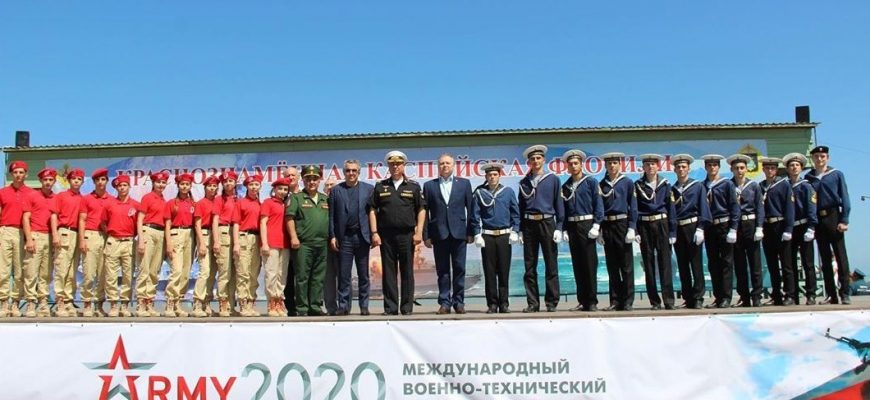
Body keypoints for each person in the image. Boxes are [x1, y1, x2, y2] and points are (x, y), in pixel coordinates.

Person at [368, 151, 426, 316]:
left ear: (403, 165)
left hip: (407, 235)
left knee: (407, 272)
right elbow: (372, 210)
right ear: (388, 166)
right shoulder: (380, 186)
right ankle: (391, 308)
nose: (395, 167)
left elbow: (421, 209)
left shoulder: (413, 187)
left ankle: (406, 308)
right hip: (386, 235)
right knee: (388, 272)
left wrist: (419, 232)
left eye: (398, 164)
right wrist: (374, 232)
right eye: (392, 164)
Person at [423, 154, 473, 314]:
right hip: (439, 233)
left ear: (453, 165)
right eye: (442, 163)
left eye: (448, 163)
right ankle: (445, 303)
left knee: (459, 269)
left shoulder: (464, 184)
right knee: (442, 271)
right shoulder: (429, 186)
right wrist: (426, 235)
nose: (445, 165)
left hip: (459, 233)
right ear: (438, 166)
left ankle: (459, 302)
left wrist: (471, 232)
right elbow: (425, 212)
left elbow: (471, 209)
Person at [518, 145, 564, 313]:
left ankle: (551, 302)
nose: (536, 161)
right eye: (532, 159)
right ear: (529, 162)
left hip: (547, 223)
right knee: (530, 266)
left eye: (538, 158)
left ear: (544, 160)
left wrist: (559, 227)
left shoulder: (553, 179)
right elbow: (520, 208)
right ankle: (533, 303)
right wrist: (520, 230)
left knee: (551, 264)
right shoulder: (524, 182)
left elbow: (559, 204)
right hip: (529, 225)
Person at [470, 162, 520, 313]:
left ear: (499, 176)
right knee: (489, 271)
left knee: (504, 271)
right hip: (488, 236)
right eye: (489, 175)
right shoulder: (480, 193)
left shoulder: (508, 192)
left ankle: (504, 304)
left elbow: (515, 213)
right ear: (486, 177)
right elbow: (475, 215)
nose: (492, 177)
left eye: (495, 174)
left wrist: (515, 231)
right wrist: (477, 234)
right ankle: (492, 304)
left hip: (504, 236)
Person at [805, 145, 851, 305]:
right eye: (816, 156)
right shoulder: (809, 177)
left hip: (833, 216)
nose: (819, 159)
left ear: (827, 158)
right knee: (824, 259)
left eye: (822, 156)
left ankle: (845, 293)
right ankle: (831, 294)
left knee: (840, 256)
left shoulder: (836, 174)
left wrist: (844, 220)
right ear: (812, 158)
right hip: (818, 219)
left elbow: (845, 197)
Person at [328, 160, 374, 316]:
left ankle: (364, 306)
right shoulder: (336, 190)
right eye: (348, 170)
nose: (351, 173)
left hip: (362, 237)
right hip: (344, 237)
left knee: (363, 274)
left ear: (359, 172)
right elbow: (331, 216)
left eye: (354, 170)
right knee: (344, 275)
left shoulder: (369, 189)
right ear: (344, 172)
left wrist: (374, 233)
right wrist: (333, 236)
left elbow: (373, 213)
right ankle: (343, 306)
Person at [559, 150, 604, 312]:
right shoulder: (565, 186)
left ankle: (591, 301)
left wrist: (597, 225)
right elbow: (563, 210)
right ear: (567, 167)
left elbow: (598, 204)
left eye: (576, 163)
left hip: (587, 225)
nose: (573, 166)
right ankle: (582, 300)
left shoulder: (591, 182)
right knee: (577, 265)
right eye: (570, 164)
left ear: (581, 165)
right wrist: (564, 228)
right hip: (572, 227)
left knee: (589, 264)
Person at [633, 154, 677, 310]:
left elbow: (671, 208)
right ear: (643, 167)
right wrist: (635, 230)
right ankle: (655, 301)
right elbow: (634, 209)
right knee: (648, 263)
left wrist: (672, 231)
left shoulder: (665, 184)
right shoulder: (637, 185)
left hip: (661, 224)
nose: (650, 167)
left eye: (653, 164)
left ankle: (669, 300)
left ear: (658, 167)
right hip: (645, 225)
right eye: (647, 164)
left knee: (665, 263)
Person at [287, 166, 330, 316]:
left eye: (315, 179)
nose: (311, 182)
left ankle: (315, 306)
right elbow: (289, 218)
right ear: (303, 180)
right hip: (303, 244)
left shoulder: (325, 198)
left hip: (322, 243)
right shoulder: (296, 198)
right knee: (302, 277)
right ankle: (302, 308)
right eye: (308, 179)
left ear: (319, 180)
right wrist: (293, 237)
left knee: (318, 277)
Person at [599, 152, 638, 311]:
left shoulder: (627, 182)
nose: (612, 166)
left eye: (615, 163)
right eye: (609, 163)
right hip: (608, 225)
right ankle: (615, 300)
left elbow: (633, 206)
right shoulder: (602, 184)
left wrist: (632, 227)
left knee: (626, 265)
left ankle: (628, 300)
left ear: (619, 164)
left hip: (622, 223)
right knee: (612, 265)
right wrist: (600, 230)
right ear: (605, 166)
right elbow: (600, 208)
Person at [670, 155, 711, 309]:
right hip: (679, 229)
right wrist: (672, 232)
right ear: (674, 170)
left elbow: (703, 208)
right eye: (678, 167)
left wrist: (701, 228)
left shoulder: (697, 186)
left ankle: (698, 297)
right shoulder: (672, 189)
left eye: (684, 167)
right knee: (682, 265)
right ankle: (688, 297)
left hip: (693, 227)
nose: (681, 169)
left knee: (696, 264)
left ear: (689, 169)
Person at [701, 154, 740, 308]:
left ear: (719, 167)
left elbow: (734, 206)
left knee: (726, 262)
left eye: (715, 165)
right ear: (705, 167)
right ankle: (718, 297)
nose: (712, 168)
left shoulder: (727, 184)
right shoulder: (703, 186)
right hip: (710, 227)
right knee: (713, 263)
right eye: (709, 165)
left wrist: (733, 228)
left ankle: (726, 297)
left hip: (724, 225)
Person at [727, 154, 765, 308]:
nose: (739, 171)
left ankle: (757, 296)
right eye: (736, 168)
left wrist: (759, 227)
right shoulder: (728, 185)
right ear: (731, 169)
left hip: (751, 224)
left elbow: (760, 207)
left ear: (746, 169)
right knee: (739, 264)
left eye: (742, 168)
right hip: (736, 227)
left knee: (755, 263)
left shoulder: (754, 186)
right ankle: (744, 297)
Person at [759, 157, 796, 305]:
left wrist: (788, 228)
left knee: (786, 264)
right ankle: (776, 294)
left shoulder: (784, 185)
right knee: (772, 264)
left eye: (772, 168)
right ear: (763, 170)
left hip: (780, 225)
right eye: (767, 168)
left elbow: (790, 208)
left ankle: (790, 295)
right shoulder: (760, 186)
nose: (770, 171)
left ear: (776, 170)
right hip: (767, 227)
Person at [21, 168, 57, 317]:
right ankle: (30, 302)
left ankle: (43, 302)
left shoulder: (56, 198)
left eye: (50, 180)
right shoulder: (32, 195)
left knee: (46, 273)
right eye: (45, 180)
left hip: (49, 237)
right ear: (41, 181)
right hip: (35, 236)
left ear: (54, 181)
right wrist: (29, 238)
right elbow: (25, 218)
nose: (48, 182)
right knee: (31, 271)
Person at [784, 152, 818, 305]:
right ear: (787, 168)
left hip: (804, 226)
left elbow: (811, 207)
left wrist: (811, 227)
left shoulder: (806, 186)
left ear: (801, 168)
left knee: (808, 263)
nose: (794, 167)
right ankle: (792, 295)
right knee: (789, 263)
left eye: (797, 165)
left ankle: (811, 294)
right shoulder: (785, 186)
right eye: (791, 165)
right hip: (790, 228)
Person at [78, 168, 113, 317]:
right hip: (91, 235)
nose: (100, 182)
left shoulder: (112, 199)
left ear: (107, 181)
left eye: (103, 179)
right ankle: (87, 304)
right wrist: (82, 240)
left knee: (103, 274)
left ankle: (99, 305)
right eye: (97, 180)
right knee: (89, 272)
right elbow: (82, 220)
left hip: (106, 237)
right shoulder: (87, 199)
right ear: (94, 182)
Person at [102, 175, 138, 317]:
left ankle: (124, 305)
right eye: (119, 186)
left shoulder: (135, 205)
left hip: (128, 242)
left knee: (128, 275)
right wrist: (112, 233)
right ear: (116, 188)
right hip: (113, 241)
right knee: (111, 275)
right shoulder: (109, 204)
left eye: (124, 185)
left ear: (129, 187)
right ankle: (113, 305)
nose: (122, 188)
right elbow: (103, 222)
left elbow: (138, 225)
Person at [0, 161, 32, 317]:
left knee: (20, 271)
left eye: (21, 172)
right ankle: (4, 302)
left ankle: (16, 303)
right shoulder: (3, 192)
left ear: (26, 174)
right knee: (3, 270)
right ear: (11, 174)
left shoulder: (31, 193)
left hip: (22, 233)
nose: (18, 175)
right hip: (5, 230)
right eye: (15, 172)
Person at [135, 171, 168, 317]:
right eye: (158, 182)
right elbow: (140, 219)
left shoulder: (164, 200)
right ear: (153, 183)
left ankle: (149, 301)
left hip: (160, 233)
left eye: (163, 183)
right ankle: (141, 303)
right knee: (144, 269)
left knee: (154, 271)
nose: (160, 185)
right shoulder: (147, 197)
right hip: (148, 230)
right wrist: (141, 239)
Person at [53, 168, 84, 317]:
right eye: (74, 179)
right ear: (69, 181)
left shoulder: (83, 199)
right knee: (62, 269)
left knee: (72, 271)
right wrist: (55, 234)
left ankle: (68, 300)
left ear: (82, 182)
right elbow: (54, 215)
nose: (76, 181)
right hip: (64, 231)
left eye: (79, 179)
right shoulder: (61, 196)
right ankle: (59, 300)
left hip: (78, 234)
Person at [163, 173, 196, 317]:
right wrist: (168, 243)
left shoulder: (193, 204)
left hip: (189, 236)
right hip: (176, 234)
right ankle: (170, 302)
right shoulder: (171, 203)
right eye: (182, 184)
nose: (184, 187)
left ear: (190, 186)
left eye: (187, 184)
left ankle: (178, 302)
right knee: (176, 270)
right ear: (178, 185)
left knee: (185, 272)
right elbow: (167, 224)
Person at [260, 177, 291, 317]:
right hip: (271, 243)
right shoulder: (268, 202)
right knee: (271, 273)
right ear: (274, 189)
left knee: (281, 274)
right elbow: (263, 223)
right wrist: (264, 243)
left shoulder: (287, 204)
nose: (283, 191)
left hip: (285, 244)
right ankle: (271, 301)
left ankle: (279, 300)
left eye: (285, 189)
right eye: (280, 189)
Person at [234, 174, 263, 317]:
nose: (254, 187)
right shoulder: (240, 202)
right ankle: (243, 302)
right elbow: (235, 224)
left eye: (256, 185)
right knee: (243, 272)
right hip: (243, 237)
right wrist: (236, 243)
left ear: (260, 187)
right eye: (251, 185)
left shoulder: (261, 204)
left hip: (257, 238)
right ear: (246, 187)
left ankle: (251, 301)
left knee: (254, 273)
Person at [191, 175, 220, 317]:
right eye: (210, 186)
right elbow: (197, 224)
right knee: (205, 271)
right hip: (204, 234)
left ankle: (206, 302)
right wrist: (201, 242)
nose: (212, 188)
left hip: (216, 235)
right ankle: (197, 301)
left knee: (213, 273)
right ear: (205, 188)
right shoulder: (201, 203)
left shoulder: (218, 202)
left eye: (214, 186)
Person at [212, 170, 239, 316]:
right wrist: (216, 241)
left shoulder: (238, 199)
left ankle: (231, 304)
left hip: (236, 234)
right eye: (226, 181)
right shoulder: (219, 199)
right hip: (223, 232)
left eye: (231, 181)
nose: (229, 183)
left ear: (235, 183)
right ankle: (222, 302)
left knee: (235, 273)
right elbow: (215, 220)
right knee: (224, 271)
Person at [282, 166, 301, 315]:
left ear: (298, 177)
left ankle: (304, 305)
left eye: (293, 175)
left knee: (302, 275)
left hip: (302, 241)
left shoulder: (305, 194)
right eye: (287, 175)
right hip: (284, 241)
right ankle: (290, 307)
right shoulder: (281, 196)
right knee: (287, 276)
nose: (291, 178)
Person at [322, 177, 340, 316]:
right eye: (327, 185)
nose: (330, 187)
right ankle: (331, 307)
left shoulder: (341, 200)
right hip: (324, 243)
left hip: (341, 242)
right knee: (328, 277)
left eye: (332, 185)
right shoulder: (321, 201)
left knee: (343, 276)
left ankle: (344, 306)